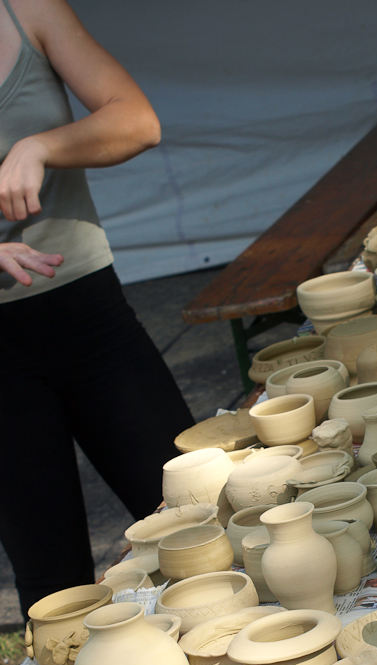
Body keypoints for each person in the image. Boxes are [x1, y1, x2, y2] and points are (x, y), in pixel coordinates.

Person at [0, 0, 194, 618]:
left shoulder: (27, 10)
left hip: (90, 314)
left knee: (191, 517)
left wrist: (41, 145)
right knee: (54, 589)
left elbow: (138, 121)